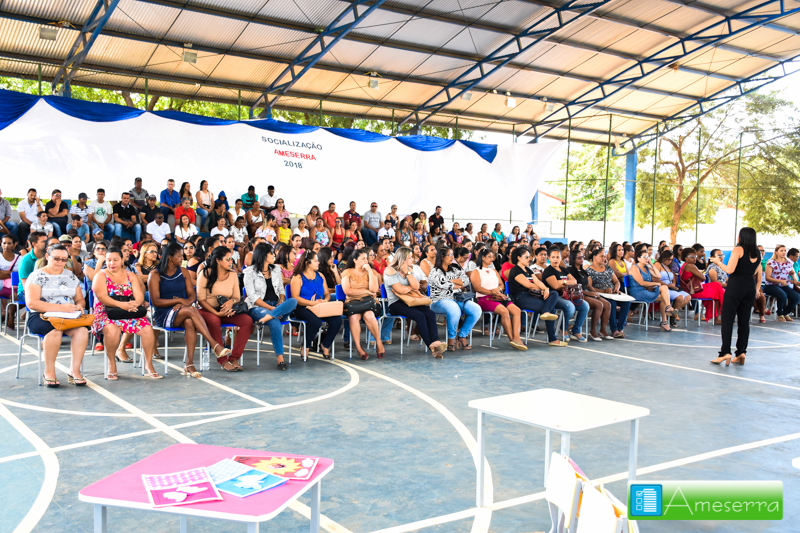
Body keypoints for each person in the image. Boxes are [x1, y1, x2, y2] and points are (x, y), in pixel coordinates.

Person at [149, 242, 221, 378]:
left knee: (189, 322)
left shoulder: (183, 272)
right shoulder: (155, 274)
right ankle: (214, 344)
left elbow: (192, 295)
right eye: (179, 256)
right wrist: (179, 301)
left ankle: (189, 364)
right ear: (170, 257)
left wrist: (184, 303)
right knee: (192, 311)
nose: (182, 258)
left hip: (182, 310)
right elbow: (156, 301)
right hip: (163, 314)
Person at [24, 243, 89, 387]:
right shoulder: (36, 276)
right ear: (47, 256)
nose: (60, 262)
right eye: (56, 258)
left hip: (68, 315)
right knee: (54, 331)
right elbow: (32, 303)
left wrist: (79, 306)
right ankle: (49, 372)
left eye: (64, 259)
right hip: (41, 315)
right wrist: (61, 308)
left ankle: (74, 371)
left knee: (82, 331)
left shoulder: (70, 276)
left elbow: (79, 299)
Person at [91, 247, 161, 379]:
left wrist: (136, 303)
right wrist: (122, 305)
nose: (112, 263)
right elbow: (102, 297)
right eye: (109, 260)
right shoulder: (100, 275)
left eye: (115, 260)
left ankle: (148, 364)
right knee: (112, 330)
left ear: (122, 260)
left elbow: (139, 295)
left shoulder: (130, 275)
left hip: (129, 310)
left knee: (147, 329)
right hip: (105, 312)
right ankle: (112, 363)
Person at [711, 227, 762, 365]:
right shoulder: (757, 252)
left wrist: (717, 262)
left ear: (742, 236)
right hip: (750, 286)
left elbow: (729, 270)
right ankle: (741, 352)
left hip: (736, 286)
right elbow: (755, 272)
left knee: (727, 319)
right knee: (744, 321)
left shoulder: (738, 249)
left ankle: (725, 352)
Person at [197, 246, 253, 371]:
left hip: (226, 310)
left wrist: (231, 302)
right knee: (214, 320)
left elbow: (237, 297)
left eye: (231, 259)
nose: (231, 262)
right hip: (207, 310)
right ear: (218, 260)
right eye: (227, 259)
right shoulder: (205, 273)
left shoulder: (233, 274)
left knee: (247, 321)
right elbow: (201, 300)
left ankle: (234, 358)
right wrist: (216, 313)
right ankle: (222, 360)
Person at [243, 243, 296, 370]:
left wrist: (281, 301)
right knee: (274, 321)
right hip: (257, 307)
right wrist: (272, 309)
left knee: (293, 301)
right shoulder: (249, 272)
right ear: (263, 255)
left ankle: (267, 318)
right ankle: (280, 359)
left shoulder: (276, 269)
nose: (274, 255)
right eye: (271, 253)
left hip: (276, 306)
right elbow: (252, 297)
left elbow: (281, 290)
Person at [384, 247, 446, 356]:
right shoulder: (390, 270)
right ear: (403, 259)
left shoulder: (408, 270)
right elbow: (399, 290)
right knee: (420, 316)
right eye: (410, 258)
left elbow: (416, 286)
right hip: (395, 303)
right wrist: (410, 288)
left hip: (411, 301)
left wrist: (407, 272)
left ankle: (436, 341)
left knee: (430, 314)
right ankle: (431, 346)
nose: (412, 259)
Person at [290, 250, 342, 361]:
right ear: (307, 263)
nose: (318, 263)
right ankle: (306, 346)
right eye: (315, 261)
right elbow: (295, 298)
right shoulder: (297, 277)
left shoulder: (320, 276)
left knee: (337, 320)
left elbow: (327, 294)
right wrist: (312, 303)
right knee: (316, 322)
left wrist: (325, 300)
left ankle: (325, 345)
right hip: (303, 307)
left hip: (319, 307)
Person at [469, 247, 526, 350]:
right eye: (489, 257)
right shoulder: (476, 272)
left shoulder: (494, 271)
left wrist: (498, 291)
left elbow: (501, 285)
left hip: (498, 296)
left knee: (516, 310)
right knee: (504, 311)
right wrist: (492, 292)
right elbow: (478, 288)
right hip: (484, 299)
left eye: (492, 256)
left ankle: (517, 338)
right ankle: (512, 339)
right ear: (483, 258)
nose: (492, 258)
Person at [506, 246, 563, 346]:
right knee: (551, 309)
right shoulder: (515, 270)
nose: (529, 259)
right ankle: (552, 339)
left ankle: (546, 313)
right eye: (526, 257)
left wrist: (545, 288)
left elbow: (538, 282)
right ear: (519, 257)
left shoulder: (528, 270)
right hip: (521, 297)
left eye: (529, 257)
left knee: (553, 293)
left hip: (531, 295)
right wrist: (542, 289)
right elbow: (529, 285)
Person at [428, 247, 481, 351]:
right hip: (439, 300)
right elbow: (443, 284)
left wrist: (452, 282)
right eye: (450, 255)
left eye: (452, 254)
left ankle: (462, 335)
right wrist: (456, 283)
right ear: (442, 257)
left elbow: (466, 281)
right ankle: (451, 340)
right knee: (454, 309)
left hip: (456, 298)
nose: (452, 257)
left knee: (476, 309)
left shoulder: (455, 269)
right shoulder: (435, 271)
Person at [341, 248, 386, 359]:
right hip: (353, 303)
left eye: (367, 258)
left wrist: (370, 271)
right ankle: (358, 347)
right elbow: (347, 291)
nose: (366, 261)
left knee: (368, 315)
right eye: (363, 259)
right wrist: (366, 291)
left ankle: (378, 341)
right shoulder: (347, 272)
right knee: (354, 317)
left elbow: (374, 289)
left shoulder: (371, 272)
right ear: (355, 260)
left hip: (369, 303)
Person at [542, 247, 589, 342]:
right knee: (570, 307)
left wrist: (561, 282)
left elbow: (574, 281)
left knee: (585, 306)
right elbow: (555, 286)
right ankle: (564, 328)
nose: (555, 259)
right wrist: (567, 282)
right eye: (553, 257)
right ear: (549, 258)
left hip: (568, 295)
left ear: (561, 258)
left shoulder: (564, 270)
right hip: (554, 297)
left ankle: (575, 330)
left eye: (557, 257)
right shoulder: (548, 271)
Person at [586, 247, 631, 338]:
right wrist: (604, 291)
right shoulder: (589, 270)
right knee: (612, 304)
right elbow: (589, 287)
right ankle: (614, 329)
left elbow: (616, 281)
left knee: (627, 302)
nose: (604, 258)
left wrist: (616, 289)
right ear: (594, 257)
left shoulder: (608, 268)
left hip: (612, 293)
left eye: (605, 256)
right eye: (601, 256)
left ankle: (620, 328)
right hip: (600, 294)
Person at [629, 248, 677, 331]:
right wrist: (655, 283)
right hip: (638, 292)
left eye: (648, 257)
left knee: (664, 288)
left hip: (646, 290)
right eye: (645, 257)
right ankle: (664, 321)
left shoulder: (647, 267)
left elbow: (658, 276)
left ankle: (668, 309)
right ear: (638, 258)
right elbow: (641, 283)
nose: (647, 259)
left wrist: (651, 264)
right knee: (663, 297)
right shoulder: (635, 267)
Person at [568, 249, 611, 341]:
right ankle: (593, 330)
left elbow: (588, 285)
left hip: (587, 293)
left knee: (607, 304)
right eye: (579, 258)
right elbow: (574, 287)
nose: (582, 259)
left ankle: (603, 330)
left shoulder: (583, 271)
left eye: (582, 257)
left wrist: (594, 292)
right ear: (573, 259)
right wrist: (589, 293)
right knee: (599, 304)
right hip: (577, 294)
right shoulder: (570, 270)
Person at [679, 248, 724, 324]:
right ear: (685, 258)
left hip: (691, 290)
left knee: (716, 288)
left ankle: (717, 317)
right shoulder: (690, 266)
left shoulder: (684, 265)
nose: (694, 258)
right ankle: (719, 316)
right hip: (694, 291)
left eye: (695, 256)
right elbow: (703, 278)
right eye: (692, 256)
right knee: (717, 288)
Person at [653, 249, 691, 327]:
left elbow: (673, 278)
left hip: (670, 287)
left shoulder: (668, 266)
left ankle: (671, 314)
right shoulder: (658, 264)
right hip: (662, 287)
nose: (670, 261)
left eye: (671, 259)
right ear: (663, 258)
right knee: (680, 297)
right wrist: (667, 285)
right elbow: (654, 278)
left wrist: (673, 284)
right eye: (668, 259)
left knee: (688, 297)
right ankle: (672, 316)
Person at [763, 244, 800, 322]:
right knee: (783, 295)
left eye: (785, 250)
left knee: (797, 297)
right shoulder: (771, 262)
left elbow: (792, 272)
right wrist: (780, 281)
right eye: (781, 250)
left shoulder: (788, 262)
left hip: (783, 285)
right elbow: (768, 277)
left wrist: (794, 277)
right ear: (776, 252)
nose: (784, 252)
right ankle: (780, 314)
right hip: (771, 286)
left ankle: (785, 313)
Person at [0, 234, 21, 329]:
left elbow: (20, 275)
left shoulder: (20, 258)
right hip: (2, 285)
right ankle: (6, 313)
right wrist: (12, 274)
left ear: (14, 244)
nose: (6, 246)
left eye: (9, 243)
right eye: (4, 243)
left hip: (15, 286)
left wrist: (4, 273)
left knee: (18, 296)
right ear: (1, 243)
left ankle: (9, 313)